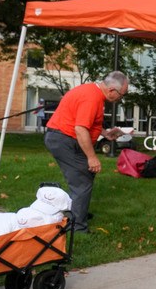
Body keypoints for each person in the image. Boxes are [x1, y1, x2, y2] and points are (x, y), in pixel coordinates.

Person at [44, 71, 129, 233]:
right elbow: (81, 129)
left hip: (64, 138)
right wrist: (92, 157)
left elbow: (87, 122)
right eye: (121, 95)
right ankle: (77, 227)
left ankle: (77, 213)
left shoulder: (93, 92)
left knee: (84, 176)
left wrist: (105, 133)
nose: (120, 98)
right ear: (112, 90)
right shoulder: (92, 98)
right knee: (82, 180)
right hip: (63, 140)